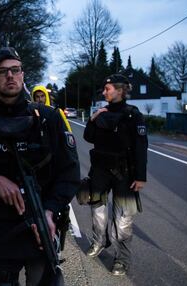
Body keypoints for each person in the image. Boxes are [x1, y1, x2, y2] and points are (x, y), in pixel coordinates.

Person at [0, 47, 80, 285]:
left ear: (23, 75)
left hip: (41, 227)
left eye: (15, 70)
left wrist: (50, 210)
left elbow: (70, 173)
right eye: (3, 72)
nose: (10, 76)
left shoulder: (48, 120)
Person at [83, 74, 148, 275]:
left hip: (125, 174)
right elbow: (88, 137)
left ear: (120, 90)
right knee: (97, 213)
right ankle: (99, 242)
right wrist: (93, 120)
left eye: (108, 89)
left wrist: (140, 176)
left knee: (123, 220)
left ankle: (122, 258)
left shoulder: (133, 115)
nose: (104, 92)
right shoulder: (101, 113)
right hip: (100, 171)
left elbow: (140, 147)